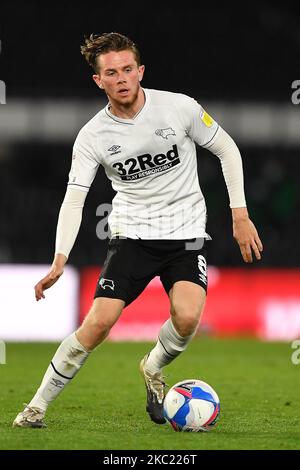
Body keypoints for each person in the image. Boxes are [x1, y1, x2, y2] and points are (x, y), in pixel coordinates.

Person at [13, 32, 263, 428]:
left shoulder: (179, 108)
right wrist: (60, 258)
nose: (122, 78)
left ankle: (152, 366)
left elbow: (227, 149)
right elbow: (74, 200)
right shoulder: (93, 136)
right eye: (111, 73)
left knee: (186, 319)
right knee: (97, 324)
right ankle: (35, 408)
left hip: (185, 233)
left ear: (141, 71)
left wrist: (239, 214)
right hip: (132, 235)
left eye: (128, 69)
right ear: (99, 81)